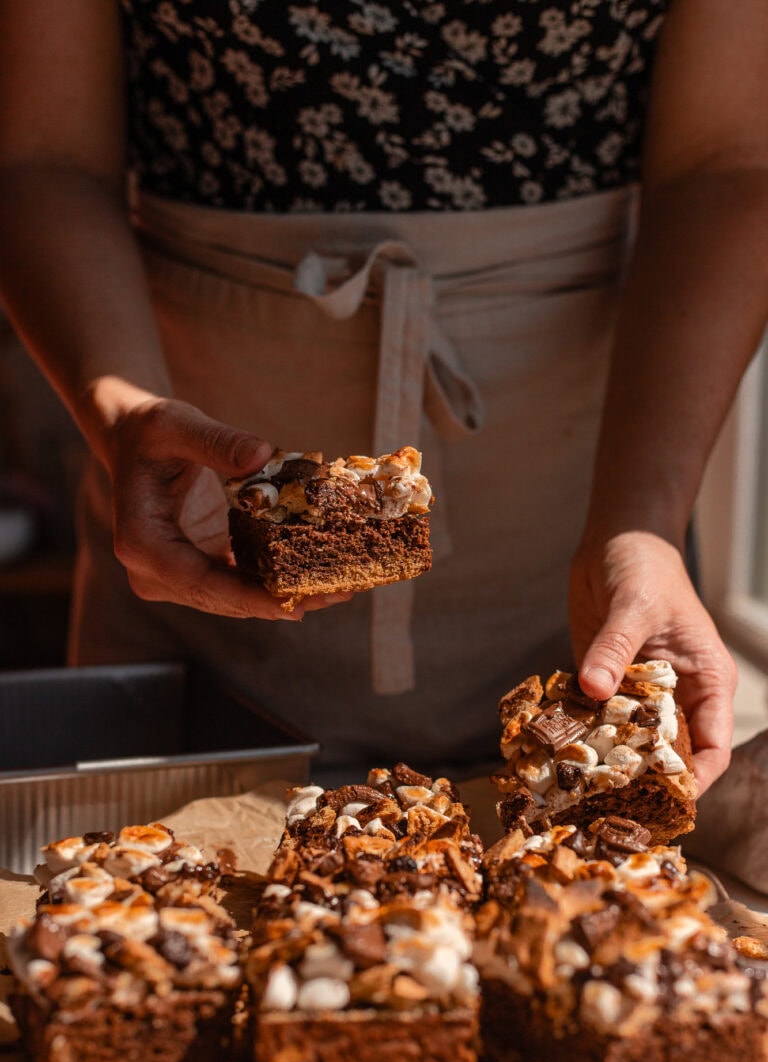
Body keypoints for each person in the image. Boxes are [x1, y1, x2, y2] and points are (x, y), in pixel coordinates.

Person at [0, 0, 764, 793]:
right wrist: (124, 414)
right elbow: (43, 161)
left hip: (578, 505)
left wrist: (644, 526)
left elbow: (727, 166)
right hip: (195, 521)